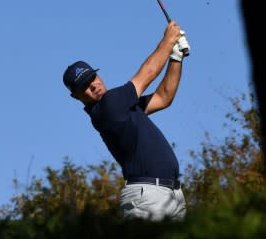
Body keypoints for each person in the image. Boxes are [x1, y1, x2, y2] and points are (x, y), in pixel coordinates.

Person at [63, 21, 191, 221]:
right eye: (85, 86)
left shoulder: (122, 106)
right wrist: (168, 40)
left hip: (171, 194)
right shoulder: (109, 107)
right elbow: (147, 74)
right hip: (147, 196)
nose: (94, 85)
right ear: (76, 96)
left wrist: (176, 56)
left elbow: (164, 97)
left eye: (93, 78)